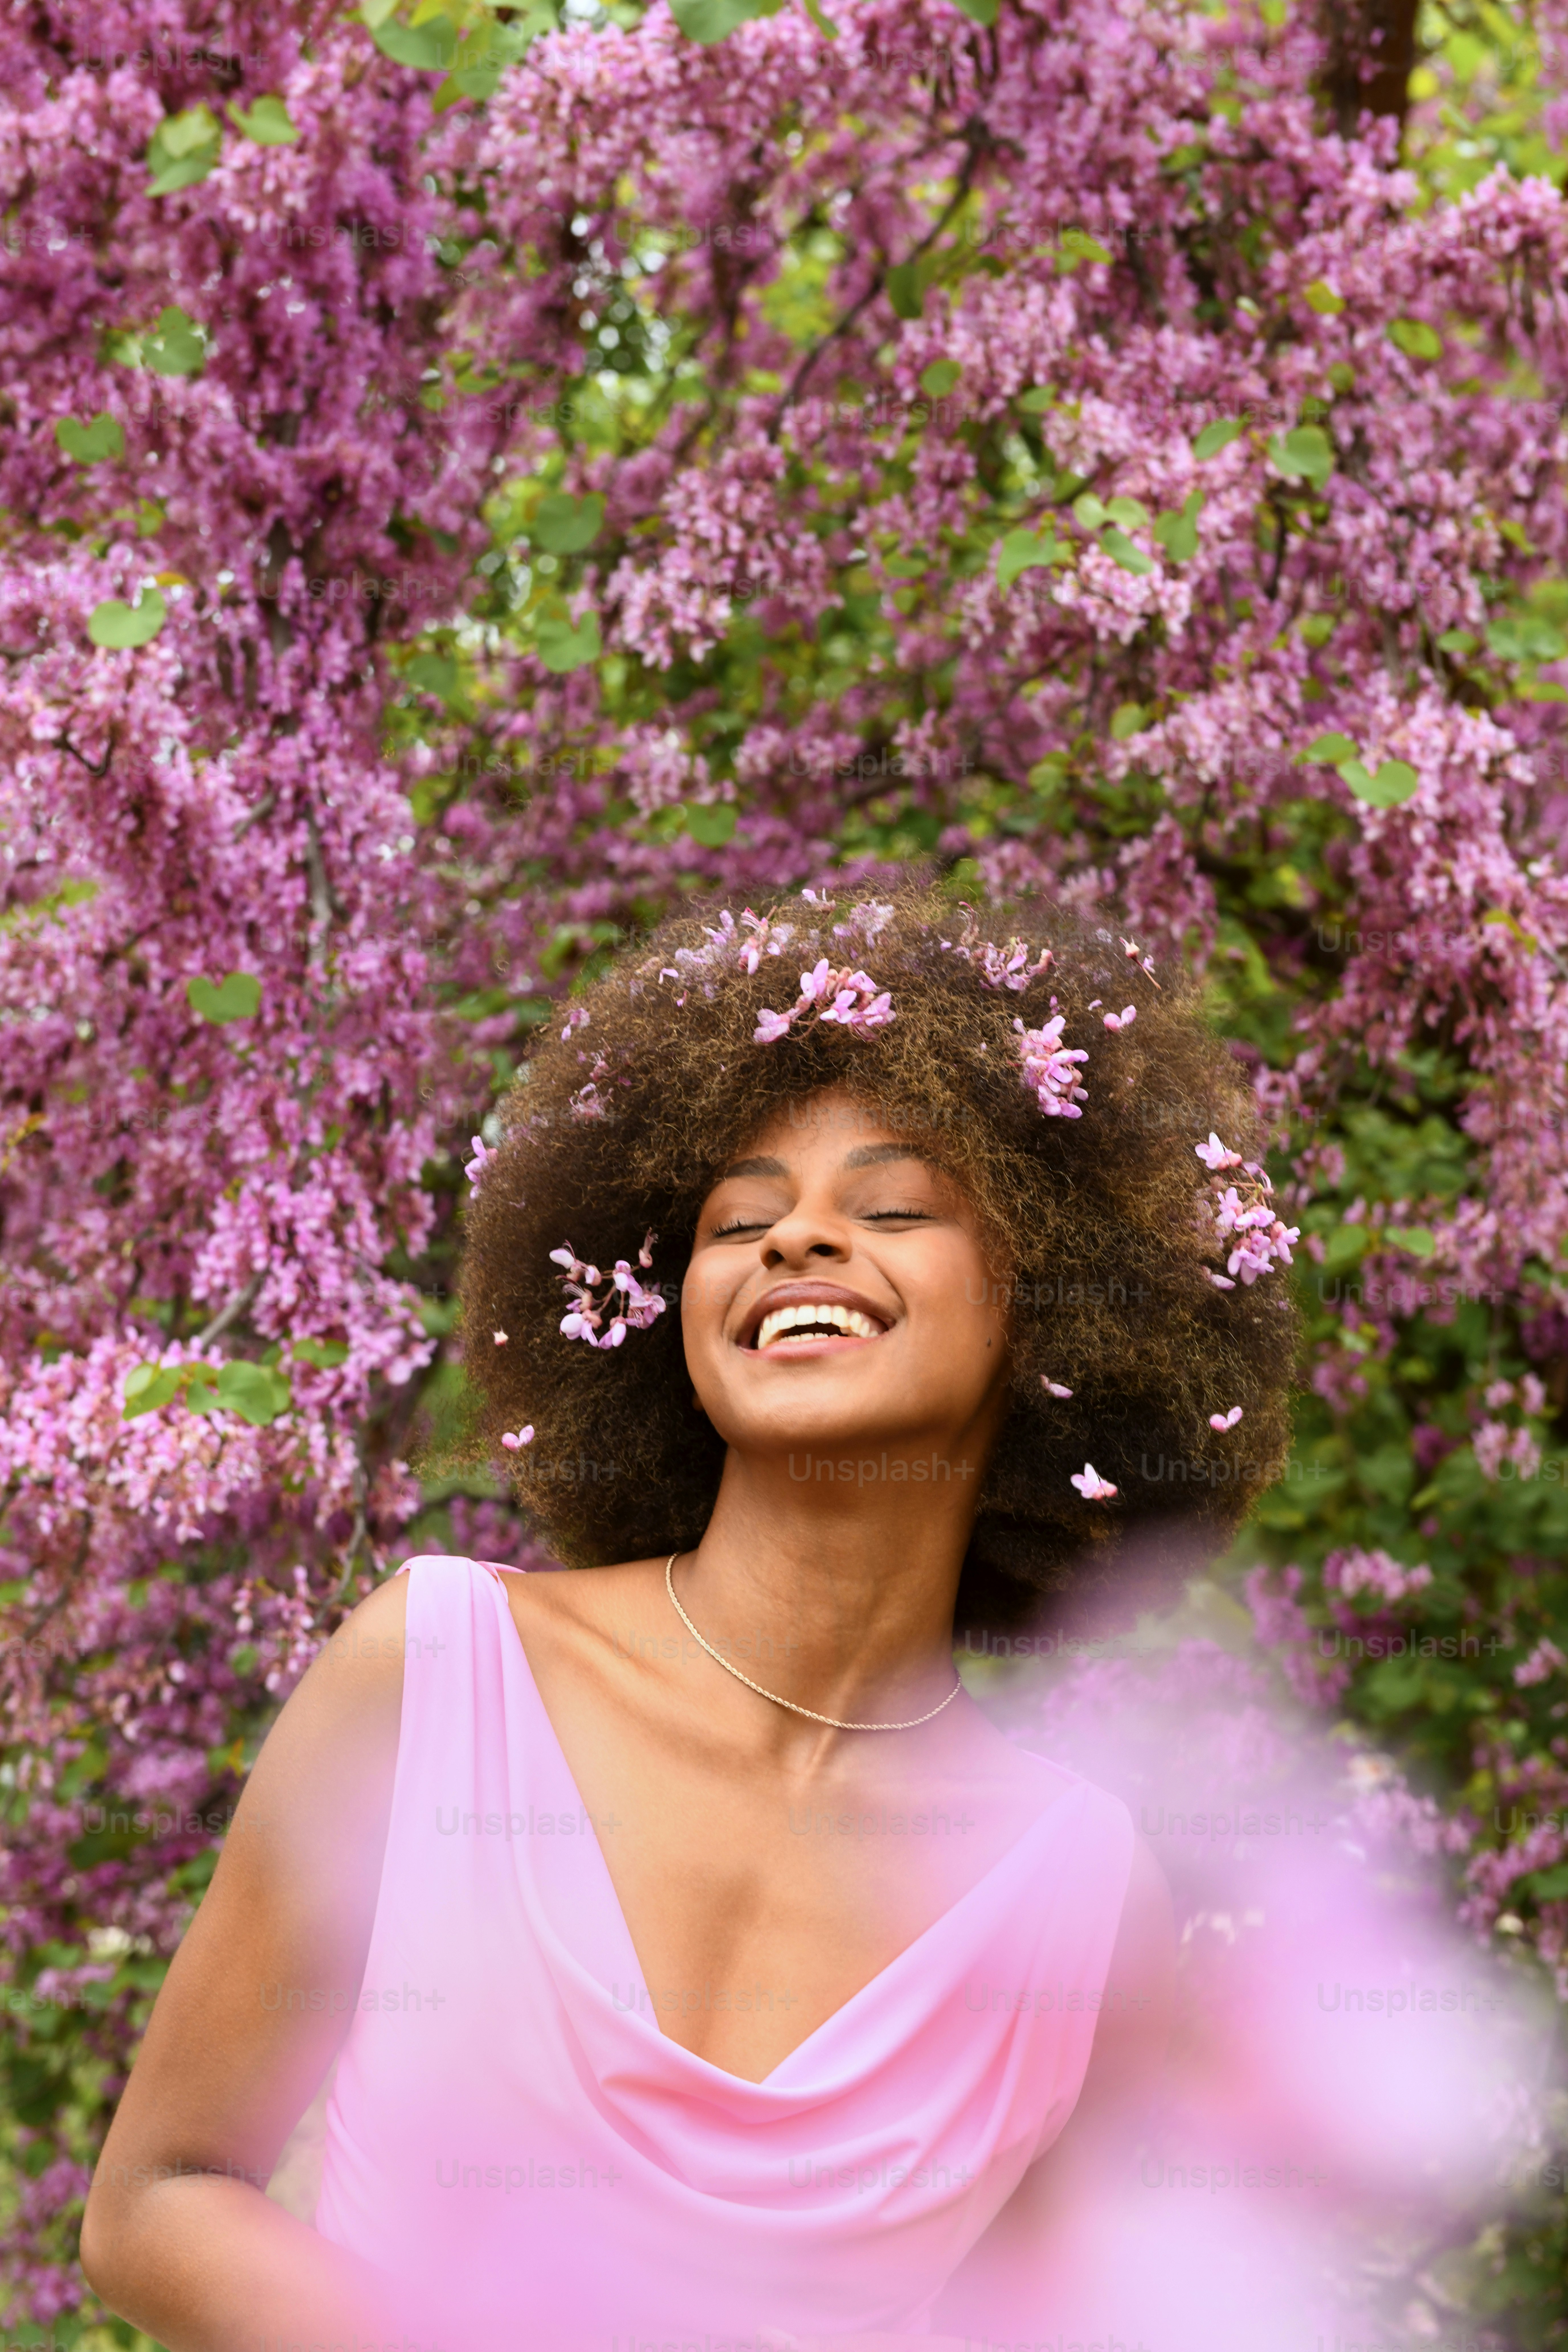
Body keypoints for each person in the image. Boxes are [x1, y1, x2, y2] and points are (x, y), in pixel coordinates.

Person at [81, 886, 1298, 2352]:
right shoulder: (446, 1668)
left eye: (891, 1207)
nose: (797, 1242)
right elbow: (159, 2193)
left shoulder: (1077, 1897)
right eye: (739, 1221)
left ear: (1040, 1314)